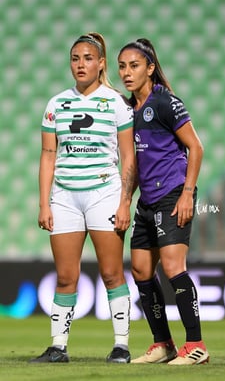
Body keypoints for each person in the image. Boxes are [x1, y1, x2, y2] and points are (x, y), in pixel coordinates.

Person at [31, 32, 136, 364]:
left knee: (111, 273)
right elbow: (48, 155)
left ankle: (121, 345)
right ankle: (57, 347)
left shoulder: (116, 103)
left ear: (101, 63)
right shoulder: (56, 104)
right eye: (75, 58)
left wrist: (124, 202)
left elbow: (128, 156)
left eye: (88, 58)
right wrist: (44, 202)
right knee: (65, 277)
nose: (81, 64)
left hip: (104, 196)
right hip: (64, 197)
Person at [117, 38, 209, 365]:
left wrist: (187, 193)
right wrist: (126, 201)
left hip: (172, 193)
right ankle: (163, 344)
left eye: (135, 66)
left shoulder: (166, 102)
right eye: (122, 67)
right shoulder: (129, 109)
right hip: (147, 199)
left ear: (151, 68)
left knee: (173, 267)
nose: (127, 73)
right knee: (141, 270)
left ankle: (196, 345)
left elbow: (195, 148)